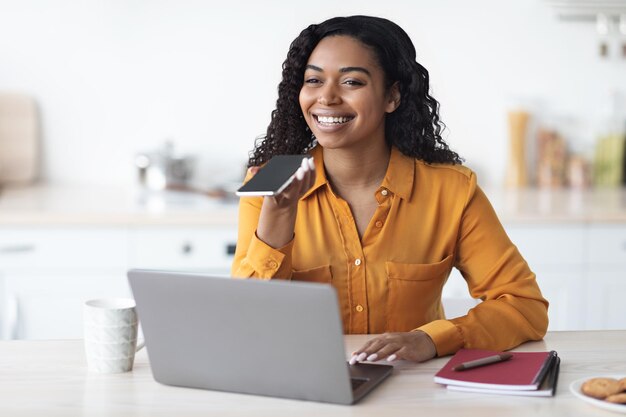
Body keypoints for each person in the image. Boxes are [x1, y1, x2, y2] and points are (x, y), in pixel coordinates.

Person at [231, 15, 548, 364]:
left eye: (351, 81)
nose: (327, 97)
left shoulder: (452, 191)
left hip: (411, 387)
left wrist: (431, 339)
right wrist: (278, 216)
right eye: (314, 80)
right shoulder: (268, 189)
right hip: (301, 382)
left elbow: (524, 305)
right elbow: (245, 325)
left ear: (392, 96)